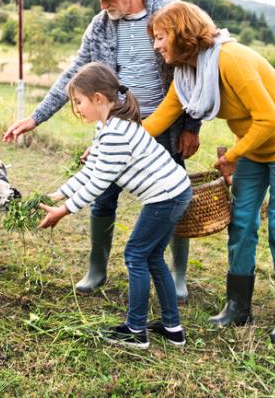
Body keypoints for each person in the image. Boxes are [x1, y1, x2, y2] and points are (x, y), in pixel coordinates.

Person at [3, 0, 201, 301]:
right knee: (103, 192)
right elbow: (73, 74)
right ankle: (97, 270)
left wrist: (191, 127)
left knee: (171, 196)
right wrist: (36, 117)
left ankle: (177, 275)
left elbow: (193, 71)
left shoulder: (169, 12)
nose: (102, 3)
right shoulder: (101, 25)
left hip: (166, 127)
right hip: (119, 126)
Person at [143, 1, 275, 345]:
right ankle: (238, 306)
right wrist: (112, 143)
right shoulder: (188, 74)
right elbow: (158, 120)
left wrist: (233, 156)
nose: (157, 45)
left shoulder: (231, 59)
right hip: (253, 145)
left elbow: (270, 119)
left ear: (182, 33)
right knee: (241, 222)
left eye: (161, 37)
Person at [38, 63, 192, 349]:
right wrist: (55, 196)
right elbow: (90, 171)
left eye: (78, 102)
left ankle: (136, 330)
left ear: (98, 98)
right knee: (153, 257)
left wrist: (64, 210)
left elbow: (98, 184)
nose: (77, 109)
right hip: (173, 192)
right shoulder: (107, 125)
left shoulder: (115, 134)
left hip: (166, 196)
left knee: (135, 255)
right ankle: (173, 328)